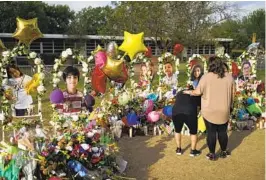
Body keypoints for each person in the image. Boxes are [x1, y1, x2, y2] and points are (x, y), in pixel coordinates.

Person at [184, 56, 235, 161]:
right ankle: (224, 151)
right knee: (222, 131)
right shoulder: (229, 77)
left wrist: (188, 92)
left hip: (208, 110)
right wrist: (231, 106)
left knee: (211, 132)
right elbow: (233, 94)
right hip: (224, 109)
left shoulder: (206, 77)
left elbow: (197, 92)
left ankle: (212, 154)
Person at [172, 85, 201, 157]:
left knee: (177, 130)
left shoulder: (179, 92)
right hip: (189, 112)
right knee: (193, 132)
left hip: (176, 111)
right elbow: (200, 105)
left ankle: (178, 149)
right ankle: (193, 151)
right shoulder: (195, 93)